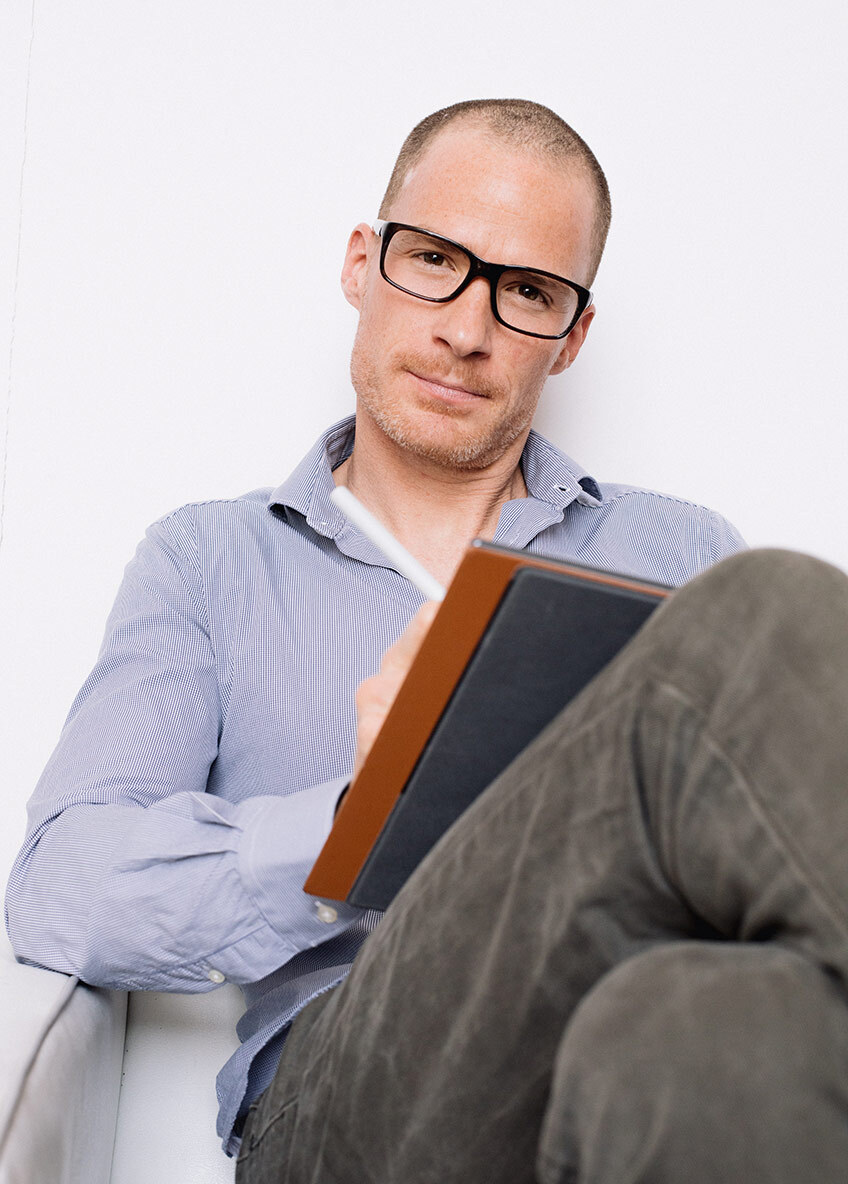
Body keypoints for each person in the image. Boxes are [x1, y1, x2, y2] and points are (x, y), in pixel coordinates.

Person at [6, 99, 847, 1182]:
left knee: (707, 1023)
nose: (467, 328)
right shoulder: (209, 559)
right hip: (357, 1090)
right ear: (364, 263)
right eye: (437, 261)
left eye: (526, 291)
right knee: (773, 603)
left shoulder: (676, 546)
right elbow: (60, 887)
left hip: (645, 1043)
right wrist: (365, 815)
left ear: (572, 334)